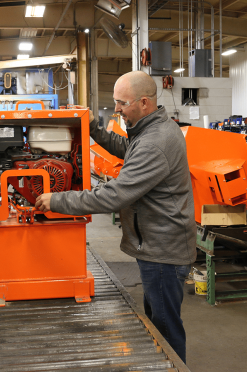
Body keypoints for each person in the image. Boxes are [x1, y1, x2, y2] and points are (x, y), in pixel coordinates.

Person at [35, 71, 197, 363]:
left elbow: (114, 195)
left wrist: (58, 200)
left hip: (163, 251)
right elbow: (126, 149)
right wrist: (93, 127)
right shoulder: (150, 129)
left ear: (144, 103)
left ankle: (174, 366)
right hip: (155, 244)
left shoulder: (155, 141)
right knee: (158, 318)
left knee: (166, 328)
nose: (117, 109)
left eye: (122, 103)